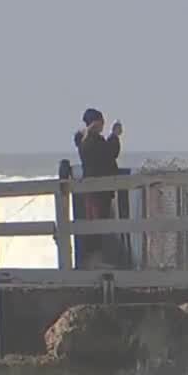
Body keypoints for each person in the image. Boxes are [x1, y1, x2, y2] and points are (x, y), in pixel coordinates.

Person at [72, 108, 123, 268]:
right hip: (97, 191)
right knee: (96, 226)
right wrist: (114, 136)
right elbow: (109, 153)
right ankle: (94, 261)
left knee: (95, 225)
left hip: (94, 190)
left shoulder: (86, 140)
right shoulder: (91, 141)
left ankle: (94, 260)